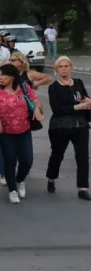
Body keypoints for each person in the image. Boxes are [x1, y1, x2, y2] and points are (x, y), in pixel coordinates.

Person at [0, 64, 43, 204]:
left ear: (12, 76)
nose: (0, 78)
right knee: (10, 160)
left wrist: (37, 108)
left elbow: (36, 100)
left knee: (27, 160)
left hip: (23, 131)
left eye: (3, 75)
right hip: (5, 133)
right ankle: (12, 190)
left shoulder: (25, 88)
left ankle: (20, 180)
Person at [46, 56, 91, 200]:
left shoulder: (78, 83)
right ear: (57, 69)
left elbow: (85, 98)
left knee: (83, 156)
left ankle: (82, 188)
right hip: (61, 126)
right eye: (61, 66)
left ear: (71, 67)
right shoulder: (53, 87)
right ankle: (51, 178)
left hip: (81, 125)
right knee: (57, 154)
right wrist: (76, 107)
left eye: (66, 66)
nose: (64, 69)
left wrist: (88, 101)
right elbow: (57, 109)